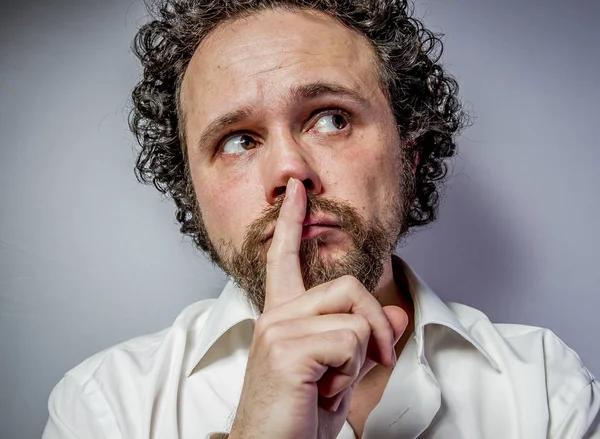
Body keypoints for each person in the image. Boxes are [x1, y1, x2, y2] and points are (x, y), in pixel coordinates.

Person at [43, 0, 599, 438]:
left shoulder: (544, 386)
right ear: (193, 190)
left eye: (331, 119)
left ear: (410, 151)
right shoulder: (104, 407)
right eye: (239, 140)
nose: (290, 171)